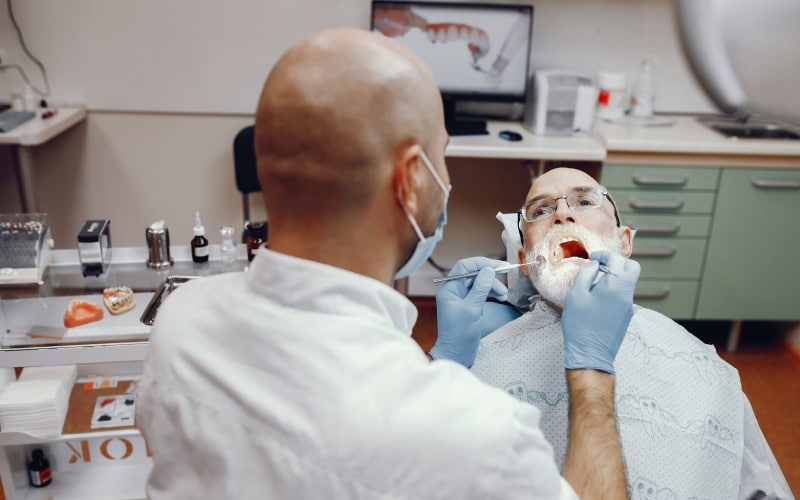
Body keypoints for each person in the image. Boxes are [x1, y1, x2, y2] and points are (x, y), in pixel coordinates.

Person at [135, 28, 641, 498]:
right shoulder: (483, 435)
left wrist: (444, 360)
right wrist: (592, 370)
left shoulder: (180, 321)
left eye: (583, 202)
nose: (562, 218)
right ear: (412, 180)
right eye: (441, 156)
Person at [436, 167, 793, 500]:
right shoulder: (473, 362)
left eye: (585, 201)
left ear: (624, 243)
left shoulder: (707, 368)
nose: (562, 215)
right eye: (541, 210)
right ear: (524, 259)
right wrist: (444, 365)